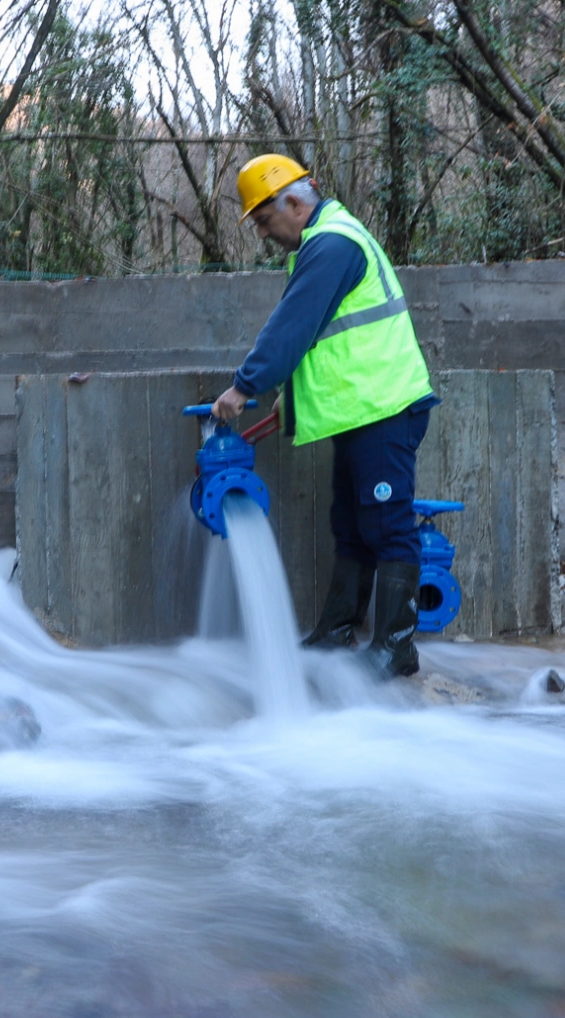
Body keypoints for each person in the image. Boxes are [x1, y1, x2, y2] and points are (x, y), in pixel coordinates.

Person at [211, 154, 438, 677]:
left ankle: (395, 647)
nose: (264, 234)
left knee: (387, 524)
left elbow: (292, 326)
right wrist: (291, 394)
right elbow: (326, 337)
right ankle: (337, 632)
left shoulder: (332, 243)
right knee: (353, 525)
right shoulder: (325, 242)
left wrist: (244, 387)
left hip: (384, 407)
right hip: (361, 410)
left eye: (265, 220)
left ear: (293, 201)